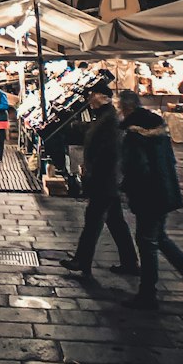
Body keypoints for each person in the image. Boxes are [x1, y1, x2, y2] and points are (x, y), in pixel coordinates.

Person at [118, 89, 183, 309]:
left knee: (147, 242)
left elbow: (138, 168)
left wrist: (125, 186)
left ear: (127, 107)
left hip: (148, 195)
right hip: (165, 190)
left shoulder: (134, 134)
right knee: (160, 239)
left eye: (120, 106)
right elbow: (170, 162)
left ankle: (148, 294)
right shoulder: (158, 130)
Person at [61, 80, 139, 278]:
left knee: (93, 220)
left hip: (104, 179)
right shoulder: (103, 117)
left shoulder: (110, 120)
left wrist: (92, 171)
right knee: (116, 222)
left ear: (103, 97)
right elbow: (92, 135)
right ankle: (130, 262)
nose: (89, 98)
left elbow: (108, 152)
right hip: (106, 179)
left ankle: (82, 260)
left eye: (92, 95)